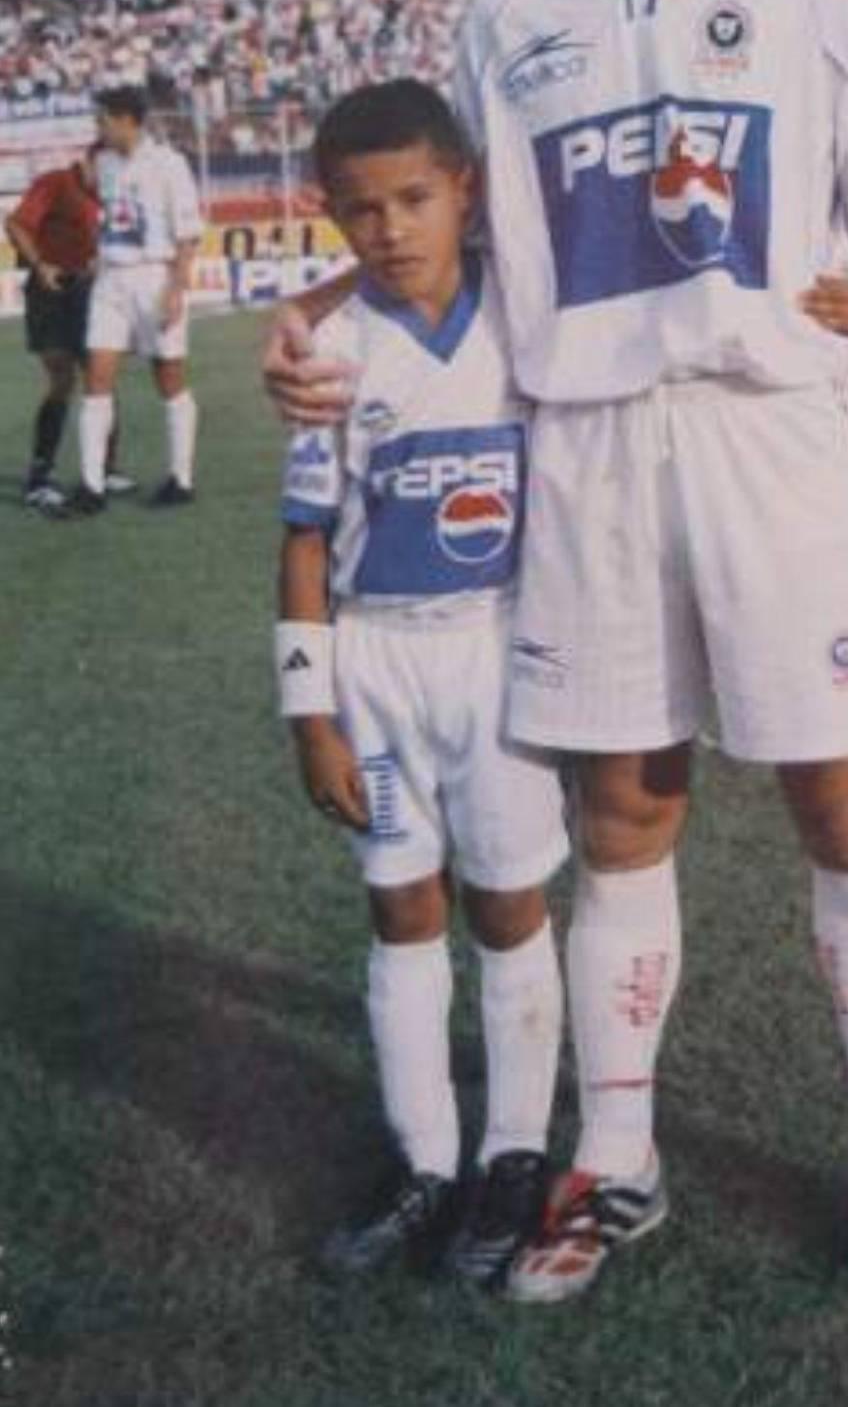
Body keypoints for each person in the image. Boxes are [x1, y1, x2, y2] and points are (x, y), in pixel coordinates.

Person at [265, 0, 848, 1313]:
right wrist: (320, 317)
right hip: (582, 447)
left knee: (843, 794)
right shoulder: (507, 17)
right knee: (621, 812)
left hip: (771, 430)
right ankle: (616, 1155)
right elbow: (448, 223)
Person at [277, 78, 568, 1286]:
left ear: (466, 191)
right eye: (362, 209)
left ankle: (513, 1154)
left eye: (414, 198)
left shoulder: (529, 308)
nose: (390, 228)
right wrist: (311, 714)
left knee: (507, 903)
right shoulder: (331, 352)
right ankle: (425, 1162)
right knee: (402, 905)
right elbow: (304, 543)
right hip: (378, 662)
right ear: (330, 214)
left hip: (500, 653)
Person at [63, 86, 202, 516]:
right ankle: (92, 486)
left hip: (154, 277)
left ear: (128, 120)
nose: (98, 127)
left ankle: (181, 478)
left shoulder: (169, 163)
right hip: (110, 280)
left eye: (103, 119)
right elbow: (102, 205)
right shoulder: (104, 162)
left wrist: (176, 290)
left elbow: (188, 234)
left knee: (169, 378)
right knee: (96, 379)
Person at [4, 150, 135, 512]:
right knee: (62, 379)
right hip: (52, 291)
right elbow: (16, 225)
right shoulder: (56, 182)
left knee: (101, 377)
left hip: (92, 291)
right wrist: (41, 265)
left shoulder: (109, 194)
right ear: (89, 162)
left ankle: (105, 469)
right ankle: (40, 476)